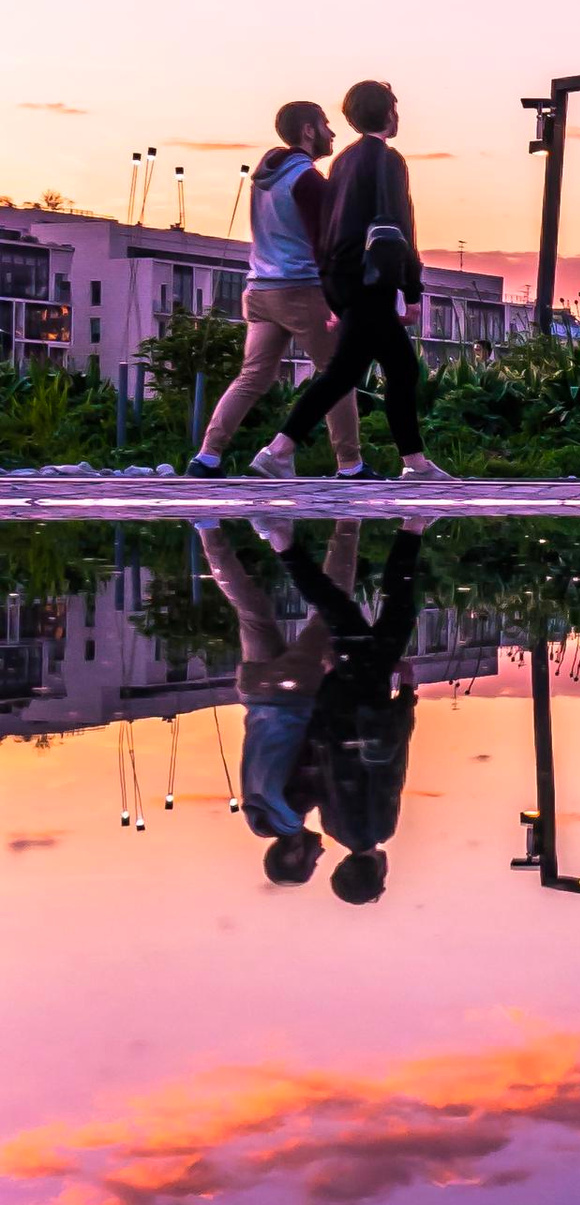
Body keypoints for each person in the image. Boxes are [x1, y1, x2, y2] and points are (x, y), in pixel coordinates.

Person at [250, 80, 444, 480]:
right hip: (372, 281)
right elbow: (397, 227)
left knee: (392, 368)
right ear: (388, 113)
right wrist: (411, 290)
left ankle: (415, 463)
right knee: (347, 372)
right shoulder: (388, 160)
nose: (398, 114)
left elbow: (330, 229)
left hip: (344, 280)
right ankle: (277, 450)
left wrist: (334, 293)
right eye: (395, 106)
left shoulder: (343, 162)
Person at [189, 103, 363, 477]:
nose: (332, 133)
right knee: (338, 374)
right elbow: (325, 245)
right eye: (326, 125)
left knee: (252, 377)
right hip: (301, 290)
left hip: (259, 290)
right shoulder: (309, 180)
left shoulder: (264, 178)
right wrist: (339, 299)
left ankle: (207, 456)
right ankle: (350, 464)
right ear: (308, 131)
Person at [191, 517, 354, 883]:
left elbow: (319, 746)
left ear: (294, 854)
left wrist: (335, 684)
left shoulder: (293, 806)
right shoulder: (256, 808)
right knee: (251, 611)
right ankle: (206, 527)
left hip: (295, 693)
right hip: (254, 693)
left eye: (312, 862)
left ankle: (348, 519)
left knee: (333, 604)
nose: (320, 853)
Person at [284, 527, 421, 900]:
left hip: (368, 696)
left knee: (385, 608)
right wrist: (328, 682)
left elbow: (387, 760)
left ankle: (284, 544)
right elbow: (322, 756)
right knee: (348, 612)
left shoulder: (379, 827)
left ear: (378, 872)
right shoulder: (333, 826)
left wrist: (406, 695)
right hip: (342, 698)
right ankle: (412, 527)